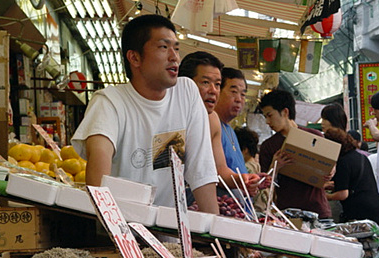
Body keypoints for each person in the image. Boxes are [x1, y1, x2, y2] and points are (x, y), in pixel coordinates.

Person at [71, 15, 218, 213]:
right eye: (163, 47)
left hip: (171, 236)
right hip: (122, 230)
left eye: (176, 48)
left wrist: (213, 235)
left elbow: (202, 171)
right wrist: (117, 233)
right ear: (135, 58)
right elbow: (98, 181)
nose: (174, 57)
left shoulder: (186, 93)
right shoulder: (109, 102)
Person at [178, 52, 261, 195]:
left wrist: (242, 179)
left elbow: (220, 170)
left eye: (217, 84)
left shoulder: (213, 120)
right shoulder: (169, 115)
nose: (213, 91)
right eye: (205, 82)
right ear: (184, 83)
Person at [259, 90, 332, 218]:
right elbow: (264, 185)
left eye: (269, 115)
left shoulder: (314, 137)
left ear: (285, 112)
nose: (267, 122)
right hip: (287, 213)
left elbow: (330, 165)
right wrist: (275, 166)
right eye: (265, 117)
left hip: (318, 210)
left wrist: (331, 171)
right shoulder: (268, 147)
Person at [321, 104, 379, 226]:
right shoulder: (360, 157)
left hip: (362, 214)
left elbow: (343, 194)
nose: (322, 123)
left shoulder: (343, 161)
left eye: (325, 119)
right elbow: (354, 183)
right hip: (377, 209)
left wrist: (324, 196)